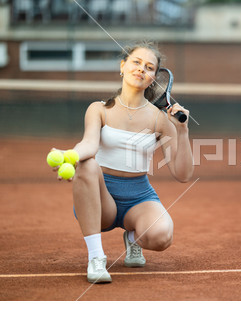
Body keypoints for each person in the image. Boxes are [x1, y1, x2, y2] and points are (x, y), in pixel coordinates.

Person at [49, 41, 194, 283]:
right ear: (123, 66)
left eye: (149, 67)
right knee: (87, 163)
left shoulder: (162, 120)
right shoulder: (99, 109)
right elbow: (88, 145)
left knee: (161, 237)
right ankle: (96, 258)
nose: (141, 69)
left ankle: (133, 237)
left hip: (139, 197)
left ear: (153, 79)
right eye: (136, 62)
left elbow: (183, 174)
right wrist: (68, 155)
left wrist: (183, 131)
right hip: (101, 198)